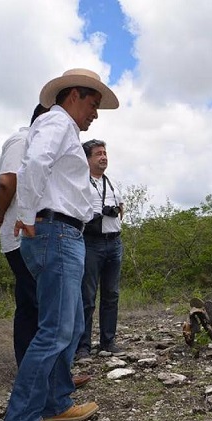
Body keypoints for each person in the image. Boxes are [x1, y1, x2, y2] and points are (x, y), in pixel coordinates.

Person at [4, 68, 119, 421]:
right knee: (54, 330)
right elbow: (34, 162)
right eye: (93, 103)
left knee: (64, 328)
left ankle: (57, 404)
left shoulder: (62, 127)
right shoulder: (57, 123)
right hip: (55, 232)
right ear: (74, 95)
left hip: (64, 232)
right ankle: (22, 416)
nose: (95, 113)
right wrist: (25, 213)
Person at [0, 104, 91, 389]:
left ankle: (53, 384)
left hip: (33, 231)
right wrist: (8, 213)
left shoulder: (47, 136)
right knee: (44, 317)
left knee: (46, 315)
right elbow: (8, 182)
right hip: (29, 234)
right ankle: (37, 389)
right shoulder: (25, 139)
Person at [75, 139, 124, 358]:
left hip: (114, 242)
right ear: (87, 159)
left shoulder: (111, 183)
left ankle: (108, 341)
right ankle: (83, 345)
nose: (103, 157)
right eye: (98, 154)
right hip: (91, 242)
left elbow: (121, 207)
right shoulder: (80, 182)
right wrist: (98, 214)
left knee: (111, 294)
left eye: (105, 153)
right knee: (87, 295)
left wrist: (113, 211)